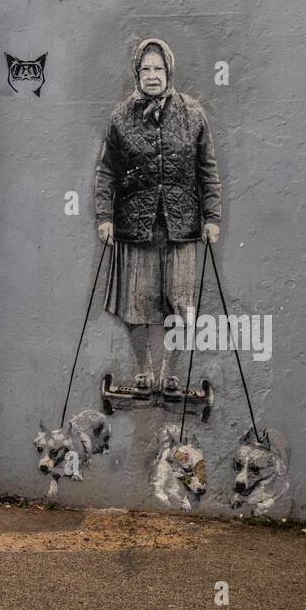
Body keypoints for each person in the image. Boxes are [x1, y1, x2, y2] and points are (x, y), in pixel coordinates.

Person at [94, 38, 221, 397]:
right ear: (138, 72)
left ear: (169, 72)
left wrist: (212, 218)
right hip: (135, 226)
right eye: (146, 69)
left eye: (158, 69)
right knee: (136, 303)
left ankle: (170, 373)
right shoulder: (121, 116)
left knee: (181, 304)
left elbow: (207, 171)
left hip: (181, 227)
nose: (152, 76)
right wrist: (105, 216)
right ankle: (143, 371)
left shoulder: (193, 114)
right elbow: (106, 171)